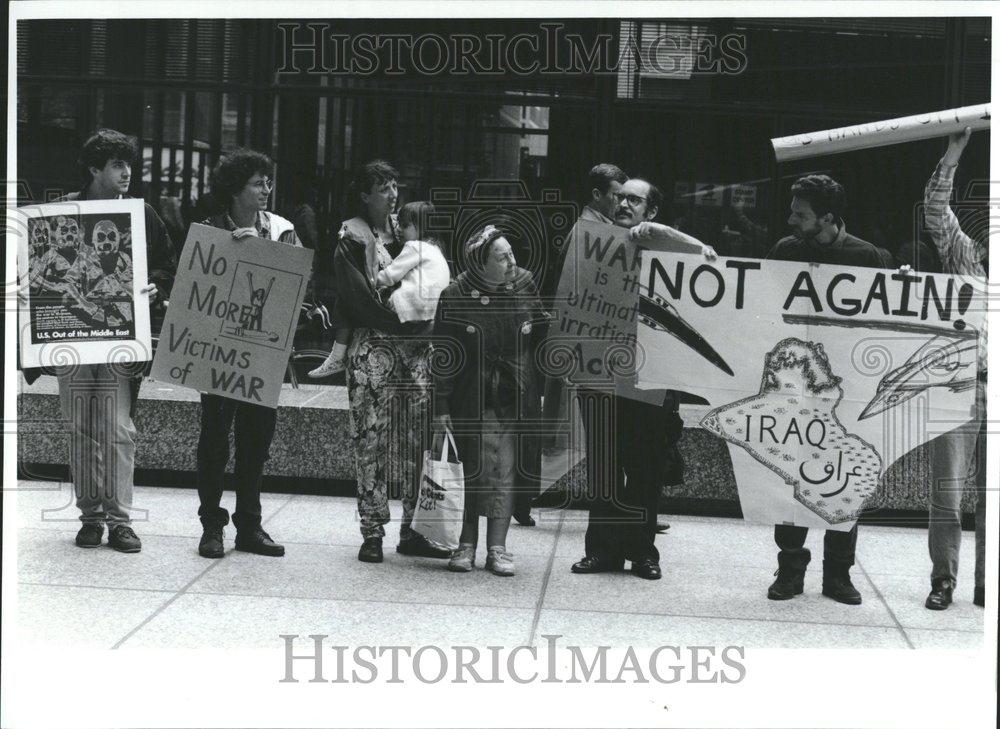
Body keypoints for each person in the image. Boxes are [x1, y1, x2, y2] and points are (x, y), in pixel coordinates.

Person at [567, 177, 715, 580]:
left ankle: (643, 552)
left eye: (635, 199)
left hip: (648, 378)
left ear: (651, 211)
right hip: (598, 375)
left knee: (645, 469)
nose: (623, 203)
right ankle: (602, 552)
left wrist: (659, 234)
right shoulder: (592, 241)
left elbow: (704, 256)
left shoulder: (666, 252)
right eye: (620, 196)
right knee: (603, 468)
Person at [47, 128, 176, 552]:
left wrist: (156, 287)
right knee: (80, 426)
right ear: (93, 169)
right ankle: (91, 517)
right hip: (73, 336)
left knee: (118, 427)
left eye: (128, 163)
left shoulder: (144, 216)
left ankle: (121, 520)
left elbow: (165, 266)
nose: (127, 172)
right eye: (117, 164)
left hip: (119, 336)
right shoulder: (60, 212)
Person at [764, 174, 889, 605]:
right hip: (793, 396)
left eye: (800, 214)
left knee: (845, 482)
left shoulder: (867, 257)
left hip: (845, 396)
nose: (790, 219)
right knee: (789, 481)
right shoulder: (785, 251)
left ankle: (838, 575)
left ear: (828, 218)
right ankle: (790, 572)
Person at [332, 159, 451, 563]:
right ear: (365, 195)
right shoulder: (352, 235)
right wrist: (405, 323)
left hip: (418, 349)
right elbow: (355, 297)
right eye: (384, 188)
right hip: (375, 350)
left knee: (418, 440)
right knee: (371, 439)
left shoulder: (411, 231)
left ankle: (412, 529)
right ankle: (372, 531)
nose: (393, 194)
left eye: (395, 185)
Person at [194, 148, 300, 559]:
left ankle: (250, 526)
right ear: (235, 189)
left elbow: (295, 287)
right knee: (215, 442)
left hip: (262, 356)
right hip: (218, 355)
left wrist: (259, 250)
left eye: (268, 182)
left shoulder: (283, 230)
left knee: (256, 443)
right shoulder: (209, 230)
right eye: (258, 183)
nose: (266, 190)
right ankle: (211, 526)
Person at [432, 225, 545, 576]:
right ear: (481, 264)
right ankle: (465, 545)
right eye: (502, 256)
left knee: (505, 472)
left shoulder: (525, 284)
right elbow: (444, 357)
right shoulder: (455, 294)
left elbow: (541, 338)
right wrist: (441, 408)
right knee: (468, 471)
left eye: (511, 253)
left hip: (512, 397)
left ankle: (498, 547)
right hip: (470, 397)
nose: (512, 261)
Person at [922, 126, 988, 610]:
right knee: (948, 492)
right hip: (962, 385)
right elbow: (935, 212)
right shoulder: (966, 257)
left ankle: (987, 585)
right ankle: (943, 581)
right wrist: (954, 152)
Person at [310, 201, 450, 377]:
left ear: (422, 227)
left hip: (407, 308)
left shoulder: (415, 246)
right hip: (431, 314)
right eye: (398, 224)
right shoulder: (436, 249)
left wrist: (368, 281)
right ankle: (337, 354)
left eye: (405, 225)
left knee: (348, 294)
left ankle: (337, 354)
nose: (399, 229)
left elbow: (390, 276)